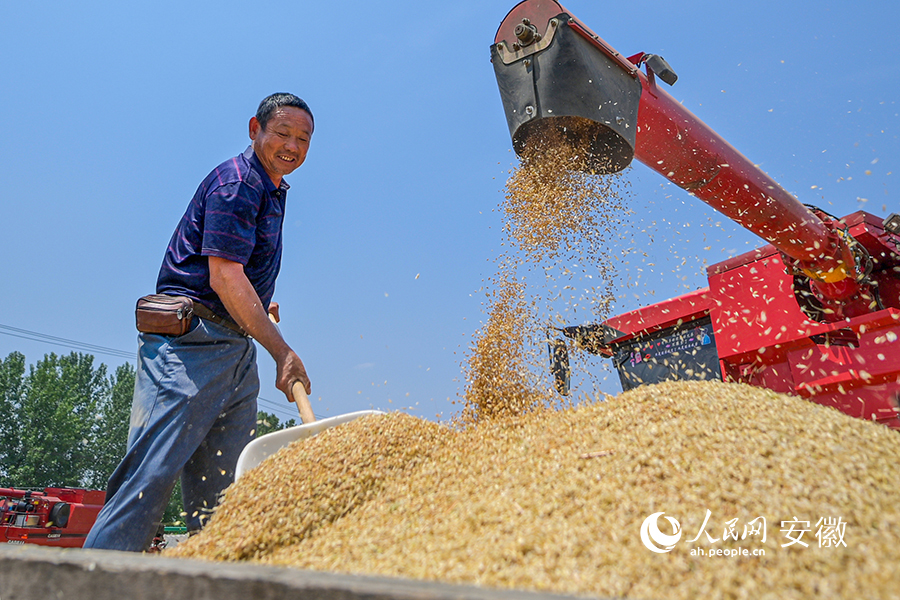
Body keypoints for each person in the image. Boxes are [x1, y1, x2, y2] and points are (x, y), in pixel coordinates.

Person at [83, 93, 315, 551]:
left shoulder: (272, 188)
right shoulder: (237, 184)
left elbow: (239, 274)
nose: (292, 145)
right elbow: (224, 276)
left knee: (222, 498)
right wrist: (282, 351)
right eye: (282, 133)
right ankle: (95, 581)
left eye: (303, 138)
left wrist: (261, 304)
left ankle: (211, 578)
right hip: (191, 347)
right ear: (255, 129)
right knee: (148, 481)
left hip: (235, 349)